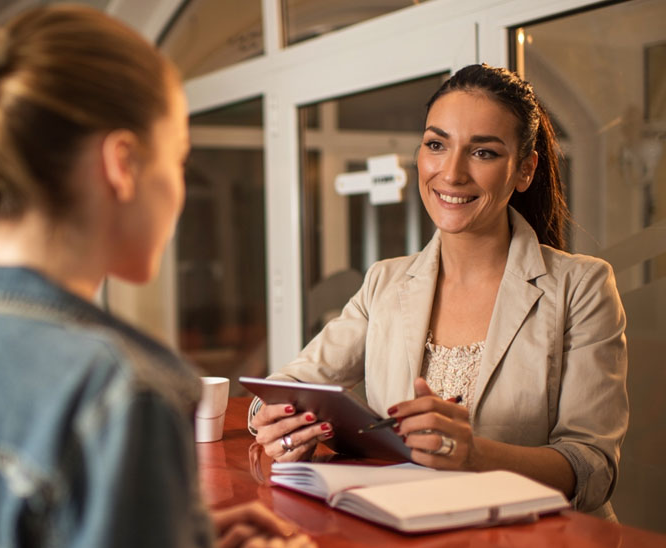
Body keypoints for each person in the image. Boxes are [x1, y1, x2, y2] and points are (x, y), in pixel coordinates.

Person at [0, 3, 316, 548]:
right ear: (123, 164)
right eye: (179, 160)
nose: (181, 192)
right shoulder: (120, 393)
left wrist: (162, 547)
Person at [249, 64, 629, 521]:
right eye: (436, 145)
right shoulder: (385, 282)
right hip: (408, 545)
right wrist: (273, 421)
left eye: (483, 152)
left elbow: (593, 469)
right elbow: (286, 386)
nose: (451, 173)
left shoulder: (581, 287)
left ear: (524, 169)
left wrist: (475, 456)